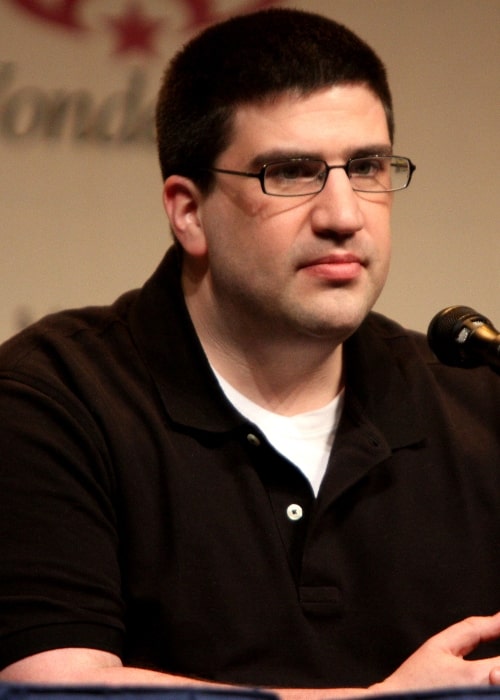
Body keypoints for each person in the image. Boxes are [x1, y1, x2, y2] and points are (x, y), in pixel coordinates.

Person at [0, 7, 499, 699]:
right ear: (188, 212)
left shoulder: (478, 404)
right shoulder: (53, 397)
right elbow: (56, 691)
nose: (344, 214)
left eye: (368, 166)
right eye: (291, 173)